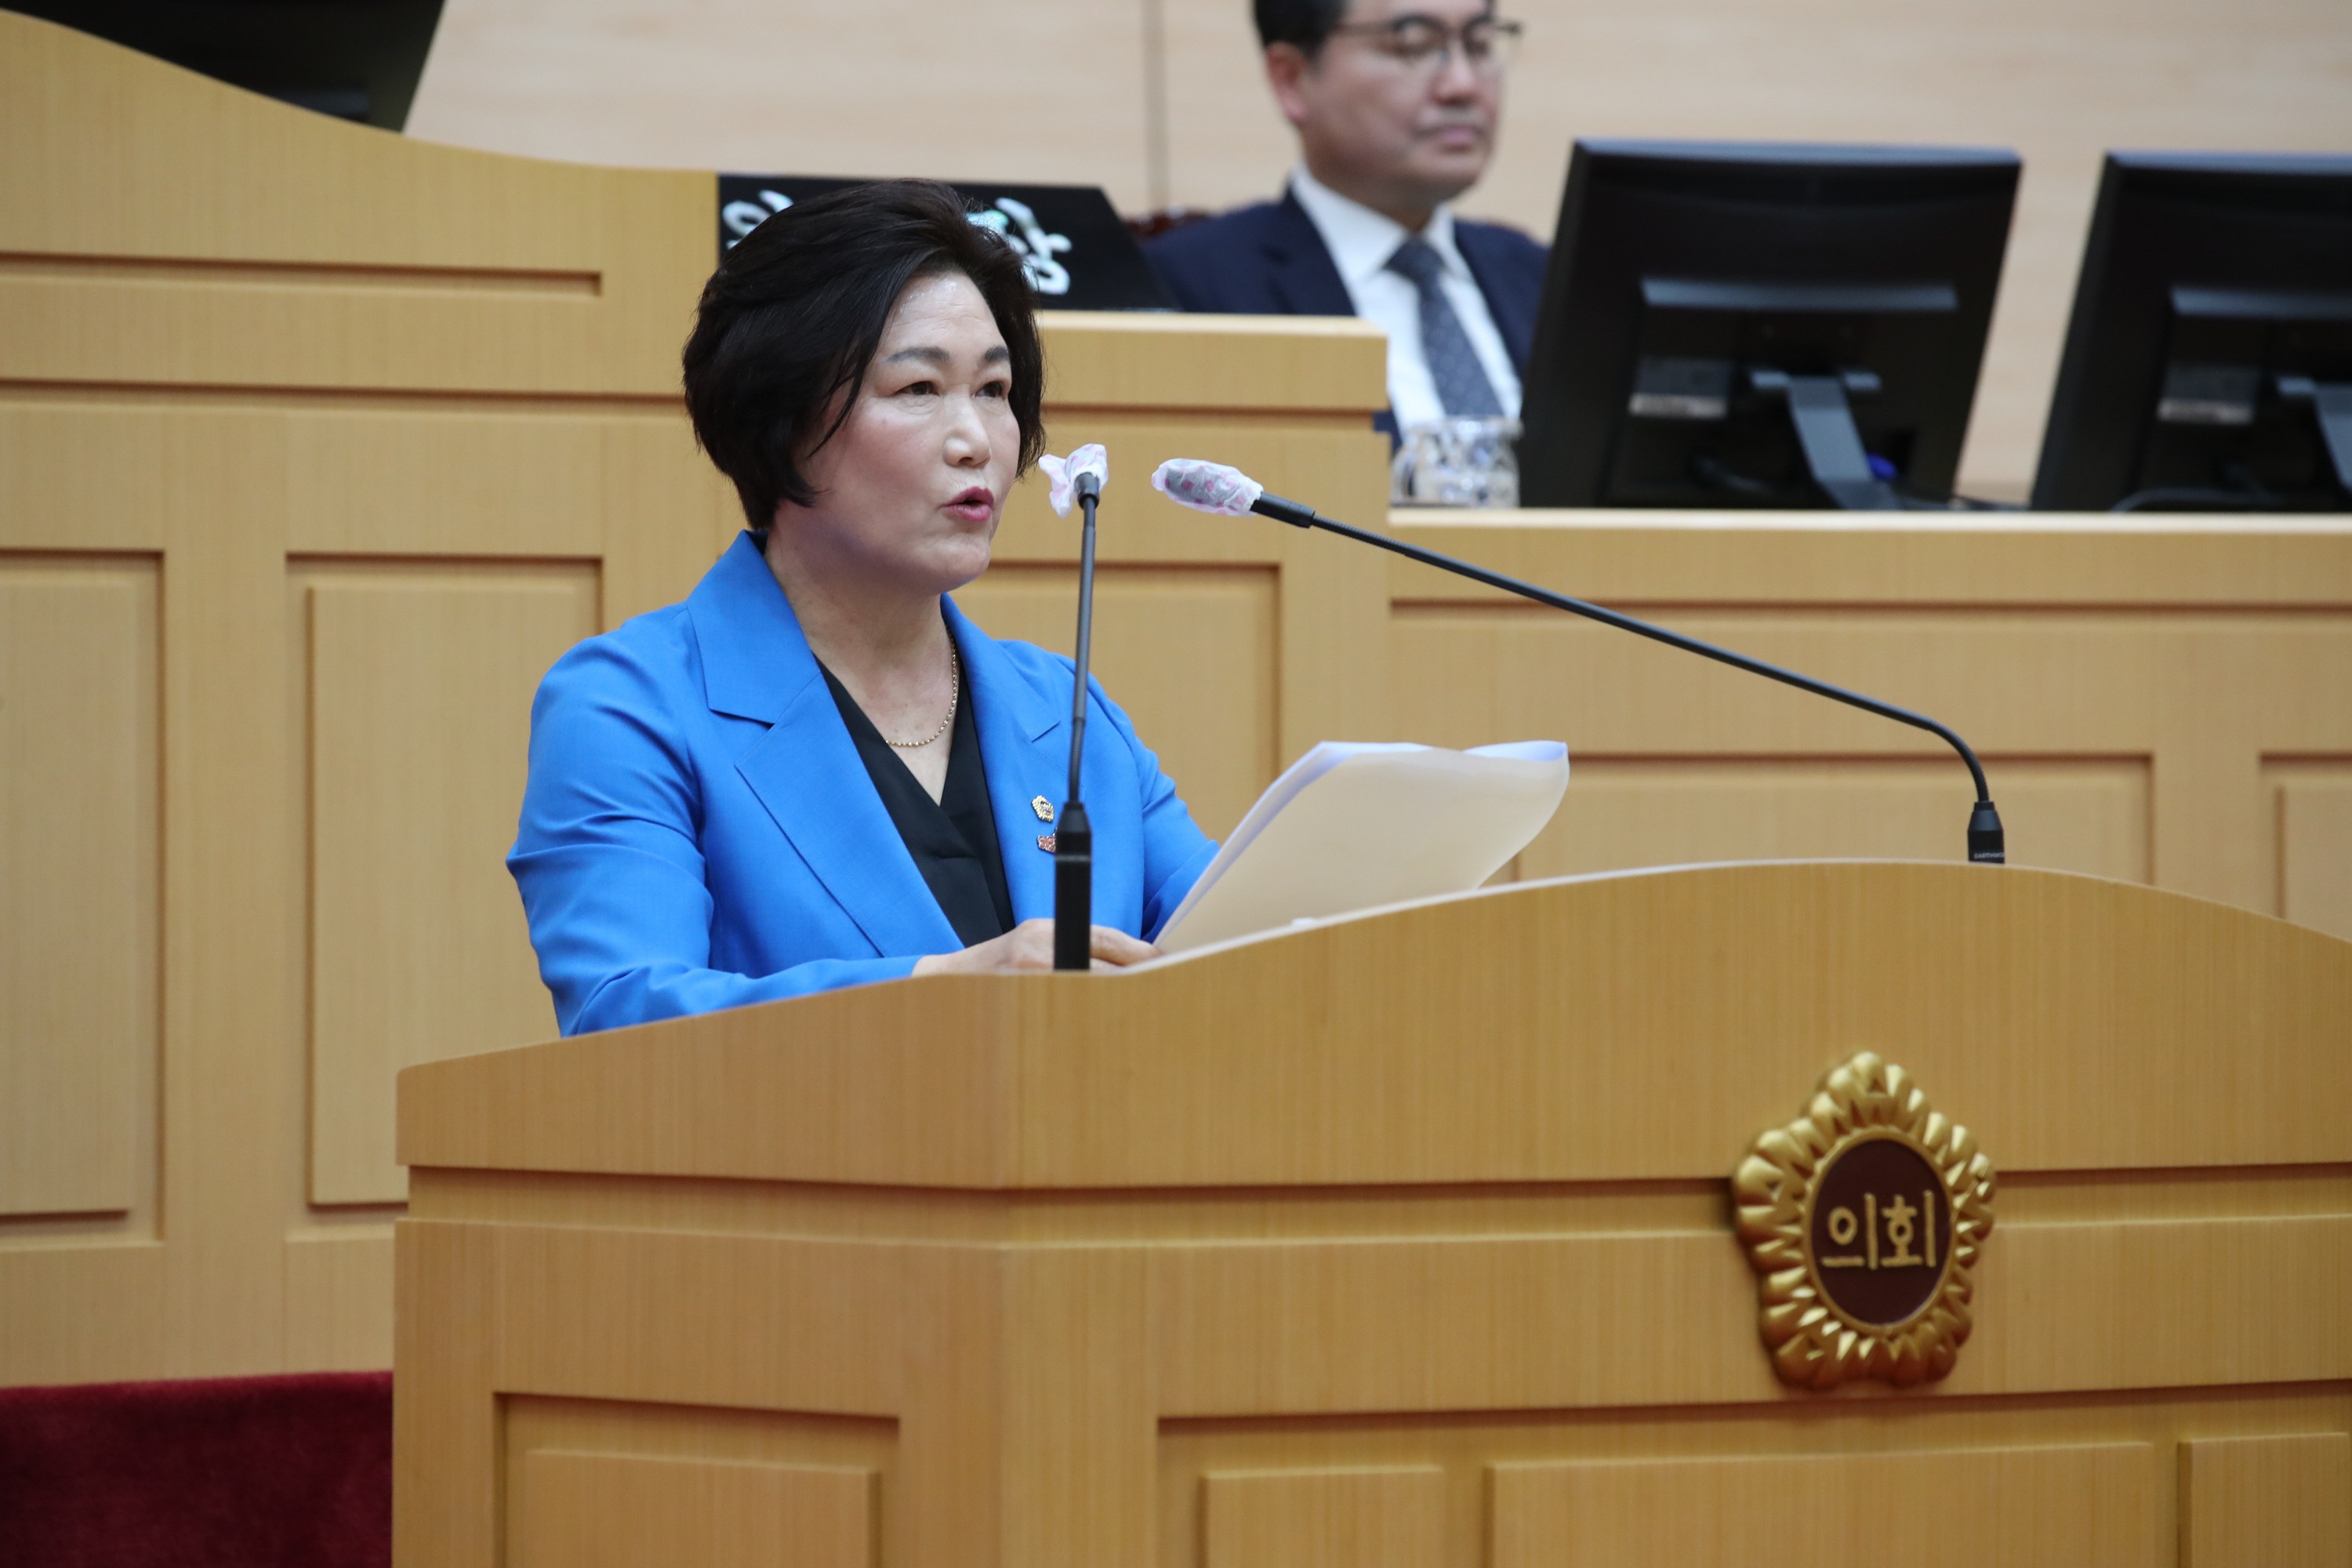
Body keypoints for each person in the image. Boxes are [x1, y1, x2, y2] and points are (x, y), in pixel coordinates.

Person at [510, 180, 1215, 1036]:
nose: (977, 440)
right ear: (781, 416)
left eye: (994, 390)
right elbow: (623, 1014)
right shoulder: (631, 705)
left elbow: (1241, 950)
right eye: (919, 388)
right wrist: (951, 985)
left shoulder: (1067, 712)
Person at [1145, 0, 1545, 434]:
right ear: (1292, 79)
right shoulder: (1189, 293)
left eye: (1479, 44)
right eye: (1412, 45)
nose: (1462, 86)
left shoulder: (1541, 276)